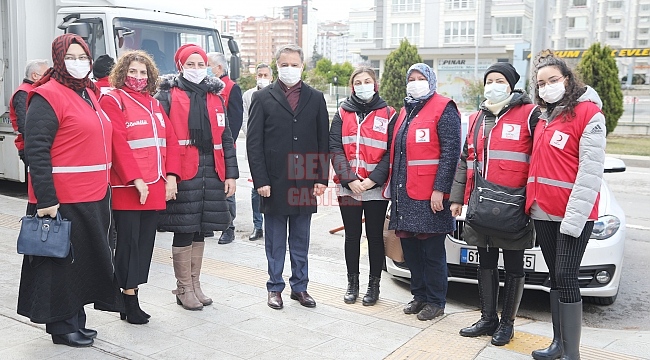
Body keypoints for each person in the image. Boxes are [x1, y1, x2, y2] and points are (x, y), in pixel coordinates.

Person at [17, 33, 123, 347]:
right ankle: (61, 327)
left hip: (92, 196)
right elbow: (37, 151)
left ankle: (76, 319)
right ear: (58, 60)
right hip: (62, 200)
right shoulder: (46, 95)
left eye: (83, 57)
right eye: (71, 57)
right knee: (60, 267)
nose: (78, 63)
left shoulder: (88, 93)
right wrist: (46, 199)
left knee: (82, 265)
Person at [450, 63, 541, 345]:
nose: (493, 84)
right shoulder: (478, 116)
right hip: (481, 204)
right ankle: (488, 318)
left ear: (512, 84)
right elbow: (466, 159)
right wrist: (456, 198)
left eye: (499, 79)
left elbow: (540, 158)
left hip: (514, 206)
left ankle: (507, 324)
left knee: (514, 265)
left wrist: (533, 202)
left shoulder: (530, 114)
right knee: (486, 262)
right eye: (489, 80)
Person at [528, 51, 606, 360]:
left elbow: (590, 173)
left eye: (553, 80)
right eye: (541, 83)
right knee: (556, 276)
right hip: (544, 212)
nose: (547, 87)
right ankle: (558, 344)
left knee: (567, 274)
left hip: (573, 215)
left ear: (568, 80)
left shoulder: (589, 114)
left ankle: (572, 353)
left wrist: (573, 220)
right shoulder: (544, 116)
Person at [100, 50, 182, 324]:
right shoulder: (113, 99)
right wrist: (134, 178)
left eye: (142, 72)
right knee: (128, 244)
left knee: (144, 245)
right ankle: (128, 298)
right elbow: (118, 143)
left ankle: (131, 296)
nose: (137, 77)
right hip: (128, 187)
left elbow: (170, 140)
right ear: (122, 73)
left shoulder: (154, 104)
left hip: (154, 186)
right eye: (132, 71)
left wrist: (171, 176)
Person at [155, 44, 238, 311]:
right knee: (184, 227)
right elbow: (163, 140)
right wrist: (168, 175)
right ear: (179, 66)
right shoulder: (167, 95)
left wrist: (231, 174)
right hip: (182, 171)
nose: (195, 69)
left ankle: (195, 283)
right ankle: (183, 288)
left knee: (202, 228)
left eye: (199, 64)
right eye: (189, 65)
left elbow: (226, 138)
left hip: (211, 171)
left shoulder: (216, 97)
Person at [247, 44, 329, 310]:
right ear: (277, 66)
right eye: (285, 64)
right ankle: (274, 287)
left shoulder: (315, 98)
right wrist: (261, 181)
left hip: (305, 179)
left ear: (302, 67)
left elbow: (323, 141)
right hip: (274, 180)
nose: (289, 69)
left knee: (301, 239)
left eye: (295, 64)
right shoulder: (262, 98)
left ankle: (300, 287)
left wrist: (321, 178)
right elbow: (253, 143)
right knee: (275, 239)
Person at [387, 63, 461, 321]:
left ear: (431, 81)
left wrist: (440, 189)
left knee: (431, 252)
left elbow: (451, 153)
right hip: (403, 194)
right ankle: (418, 295)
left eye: (421, 78)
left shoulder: (444, 108)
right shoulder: (405, 112)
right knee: (411, 250)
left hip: (430, 196)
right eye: (412, 78)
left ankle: (436, 301)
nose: (415, 82)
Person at [329, 66, 396, 306]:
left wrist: (372, 180)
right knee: (352, 236)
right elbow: (335, 147)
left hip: (375, 187)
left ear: (375, 84)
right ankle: (352, 284)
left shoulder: (389, 113)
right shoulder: (342, 112)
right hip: (349, 187)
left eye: (367, 81)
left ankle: (373, 286)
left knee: (375, 236)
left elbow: (391, 152)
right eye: (358, 82)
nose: (363, 85)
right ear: (352, 86)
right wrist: (350, 179)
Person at [207, 52, 244, 244]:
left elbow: (235, 121)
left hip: (224, 147)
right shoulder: (206, 87)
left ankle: (228, 227)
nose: (205, 69)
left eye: (208, 65)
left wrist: (226, 145)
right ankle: (207, 225)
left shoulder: (231, 88)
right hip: (207, 147)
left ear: (219, 68)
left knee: (227, 188)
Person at [242, 63, 272, 241]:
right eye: (259, 75)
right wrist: (255, 136)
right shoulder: (248, 95)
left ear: (271, 76)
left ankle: (272, 226)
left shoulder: (279, 94)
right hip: (255, 150)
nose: (262, 78)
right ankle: (257, 225)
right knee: (256, 189)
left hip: (274, 151)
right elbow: (245, 119)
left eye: (265, 75)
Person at [9, 59, 49, 165]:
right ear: (35, 76)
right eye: (47, 74)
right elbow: (24, 125)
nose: (50, 78)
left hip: (36, 145)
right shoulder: (23, 93)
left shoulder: (32, 90)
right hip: (31, 146)